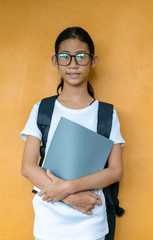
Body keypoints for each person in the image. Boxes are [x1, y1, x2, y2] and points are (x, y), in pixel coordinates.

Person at [20, 27, 125, 240]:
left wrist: (68, 187)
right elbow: (28, 167)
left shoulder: (106, 114)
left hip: (91, 222)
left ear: (93, 60)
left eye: (81, 56)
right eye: (65, 57)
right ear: (55, 61)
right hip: (49, 223)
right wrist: (70, 197)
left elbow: (115, 171)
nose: (73, 64)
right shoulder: (42, 109)